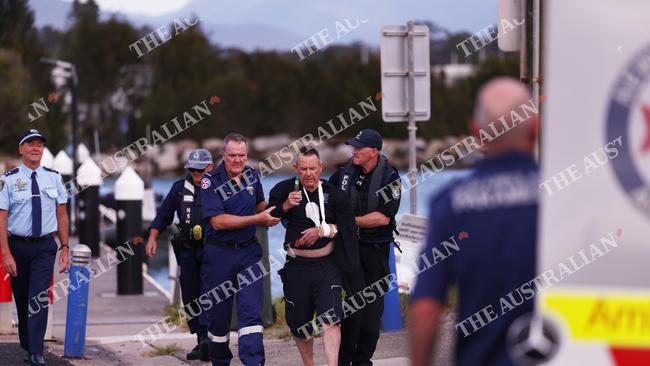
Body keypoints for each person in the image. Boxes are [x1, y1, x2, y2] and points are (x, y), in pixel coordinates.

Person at [409, 77, 539, 366]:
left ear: (476, 132)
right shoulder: (566, 196)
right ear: (535, 127)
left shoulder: (451, 205)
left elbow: (426, 309)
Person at [268, 149, 358, 366]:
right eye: (303, 169)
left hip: (327, 266)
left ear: (321, 168)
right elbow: (268, 218)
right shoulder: (283, 190)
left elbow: (349, 228)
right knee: (299, 325)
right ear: (296, 170)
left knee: (330, 319)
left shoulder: (335, 194)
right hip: (296, 267)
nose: (308, 173)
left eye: (312, 168)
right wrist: (286, 206)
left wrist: (323, 231)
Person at [200, 133, 280, 366]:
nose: (237, 160)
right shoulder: (210, 180)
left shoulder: (252, 175)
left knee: (251, 312)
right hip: (218, 255)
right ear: (223, 156)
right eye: (232, 155)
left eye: (241, 155)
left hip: (249, 253)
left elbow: (260, 207)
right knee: (218, 317)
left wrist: (282, 207)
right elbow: (218, 222)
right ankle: (220, 360)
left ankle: (253, 361)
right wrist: (257, 219)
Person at [328, 128, 401, 366]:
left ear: (374, 151)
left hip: (376, 251)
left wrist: (347, 222)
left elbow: (383, 218)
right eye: (354, 147)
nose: (354, 151)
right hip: (350, 250)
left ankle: (362, 360)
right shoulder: (343, 174)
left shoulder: (390, 177)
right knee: (354, 307)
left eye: (359, 147)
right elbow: (326, 201)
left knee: (372, 314)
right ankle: (343, 360)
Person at [0, 129, 70, 366]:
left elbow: (62, 214)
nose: (35, 148)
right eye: (30, 144)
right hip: (17, 247)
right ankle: (29, 346)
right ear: (21, 149)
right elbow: (2, 219)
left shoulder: (54, 178)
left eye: (39, 144)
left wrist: (65, 247)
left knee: (38, 297)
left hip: (44, 247)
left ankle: (37, 351)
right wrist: (6, 253)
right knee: (22, 299)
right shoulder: (8, 180)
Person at [146, 148, 214, 361]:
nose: (196, 174)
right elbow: (163, 215)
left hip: (212, 248)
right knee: (191, 294)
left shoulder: (219, 188)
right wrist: (152, 237)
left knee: (211, 292)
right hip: (187, 250)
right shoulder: (178, 189)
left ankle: (211, 338)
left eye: (201, 170)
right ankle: (201, 338)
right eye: (193, 170)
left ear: (210, 168)